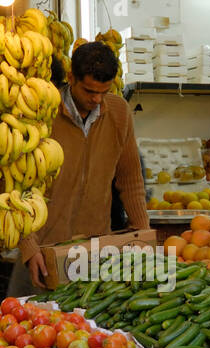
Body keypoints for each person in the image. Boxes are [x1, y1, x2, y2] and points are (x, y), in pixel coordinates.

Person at [9, 42, 149, 296]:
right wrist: (29, 246)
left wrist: (143, 233)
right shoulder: (41, 112)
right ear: (71, 78)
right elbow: (16, 186)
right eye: (89, 91)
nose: (96, 100)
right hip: (42, 249)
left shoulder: (118, 112)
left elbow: (130, 179)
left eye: (103, 92)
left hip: (95, 251)